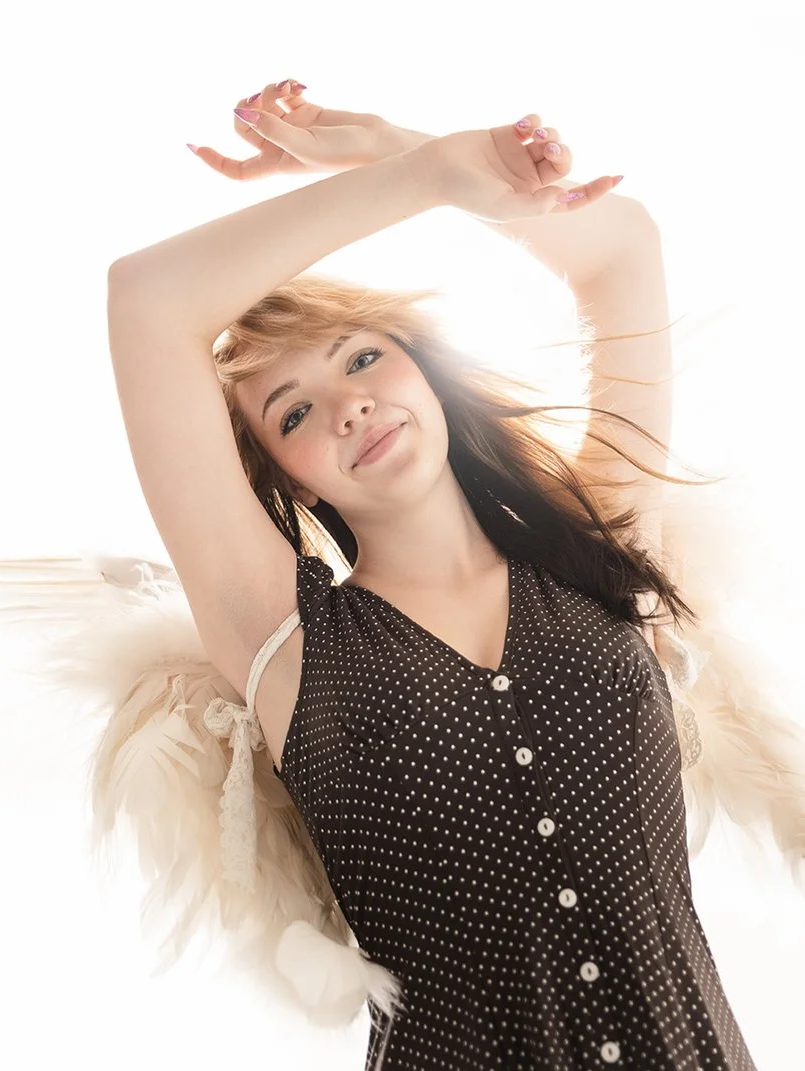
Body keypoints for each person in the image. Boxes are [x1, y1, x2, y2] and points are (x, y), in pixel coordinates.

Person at [103, 80, 750, 1067]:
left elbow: (621, 250)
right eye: (291, 412)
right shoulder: (280, 638)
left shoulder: (594, 547)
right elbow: (147, 301)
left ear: (424, 371)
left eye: (362, 358)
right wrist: (423, 175)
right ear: (277, 477)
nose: (346, 406)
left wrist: (402, 153)